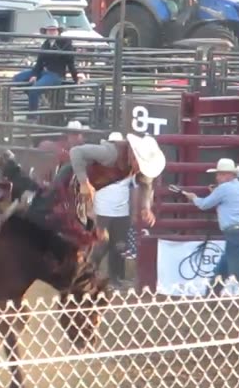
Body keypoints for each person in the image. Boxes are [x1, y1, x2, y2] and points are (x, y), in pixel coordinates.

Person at [13, 133, 164, 249]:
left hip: (93, 191)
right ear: (133, 155)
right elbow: (76, 152)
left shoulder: (137, 169)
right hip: (73, 175)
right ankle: (21, 228)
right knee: (47, 204)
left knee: (87, 231)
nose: (139, 169)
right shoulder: (110, 153)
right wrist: (84, 182)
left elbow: (145, 184)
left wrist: (145, 207)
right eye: (140, 164)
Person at [183, 157, 239, 296]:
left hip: (234, 234)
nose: (217, 177)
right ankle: (211, 296)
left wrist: (193, 198)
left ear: (229, 174)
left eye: (220, 174)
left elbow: (204, 205)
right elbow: (229, 202)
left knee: (237, 272)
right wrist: (215, 193)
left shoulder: (223, 189)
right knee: (224, 266)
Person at [90, 132, 135, 288]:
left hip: (120, 213)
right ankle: (90, 276)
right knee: (101, 246)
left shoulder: (128, 167)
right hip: (103, 212)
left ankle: (115, 278)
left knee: (118, 246)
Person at [12, 23, 80, 111]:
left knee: (34, 90)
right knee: (17, 79)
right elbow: (39, 62)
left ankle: (33, 116)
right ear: (46, 32)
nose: (51, 32)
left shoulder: (65, 43)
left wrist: (76, 77)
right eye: (49, 30)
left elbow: (70, 61)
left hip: (55, 74)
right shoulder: (45, 44)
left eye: (54, 30)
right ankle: (36, 99)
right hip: (44, 72)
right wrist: (34, 74)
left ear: (58, 32)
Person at [32, 120, 87, 184]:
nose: (75, 137)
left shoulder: (79, 146)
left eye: (76, 134)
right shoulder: (60, 145)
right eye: (73, 134)